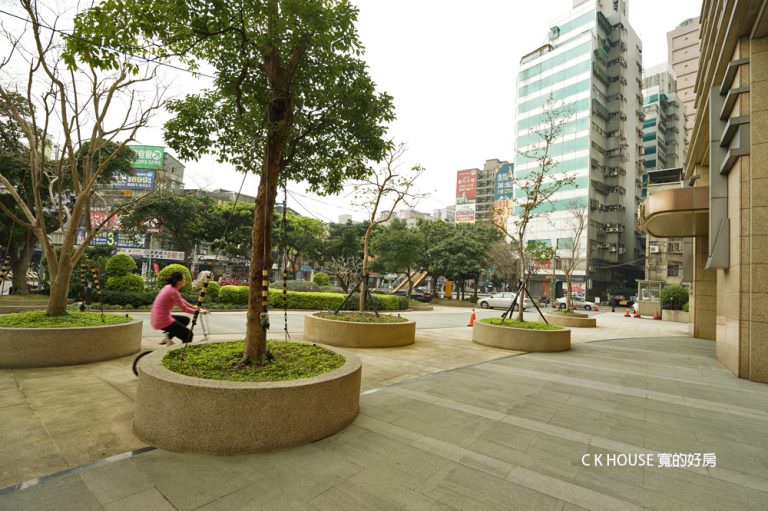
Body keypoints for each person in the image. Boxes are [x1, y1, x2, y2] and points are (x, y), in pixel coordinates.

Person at [150, 271, 207, 345]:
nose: (185, 281)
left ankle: (168, 337)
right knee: (188, 335)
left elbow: (181, 300)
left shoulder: (169, 287)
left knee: (185, 320)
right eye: (184, 279)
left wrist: (192, 307)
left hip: (157, 318)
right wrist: (198, 312)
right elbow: (184, 309)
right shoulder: (173, 291)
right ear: (179, 281)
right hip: (162, 320)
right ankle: (181, 351)